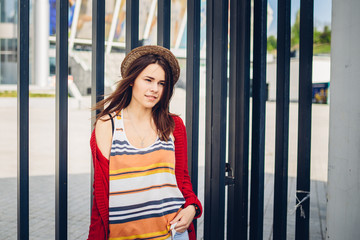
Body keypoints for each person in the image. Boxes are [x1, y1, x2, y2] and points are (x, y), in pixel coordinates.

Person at [87, 45, 202, 240]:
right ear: (132, 80)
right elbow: (101, 195)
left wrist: (192, 207)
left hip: (171, 234)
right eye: (148, 80)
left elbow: (182, 180)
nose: (154, 89)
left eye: (161, 83)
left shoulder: (174, 126)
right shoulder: (108, 125)